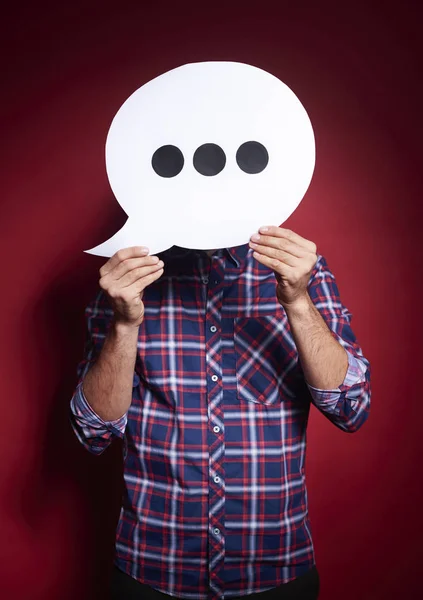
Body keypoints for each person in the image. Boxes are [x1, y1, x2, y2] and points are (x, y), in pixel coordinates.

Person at [70, 226, 371, 600]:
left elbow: (350, 408)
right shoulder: (129, 276)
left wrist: (296, 301)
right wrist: (124, 323)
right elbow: (92, 432)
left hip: (275, 574)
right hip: (152, 573)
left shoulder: (301, 273)